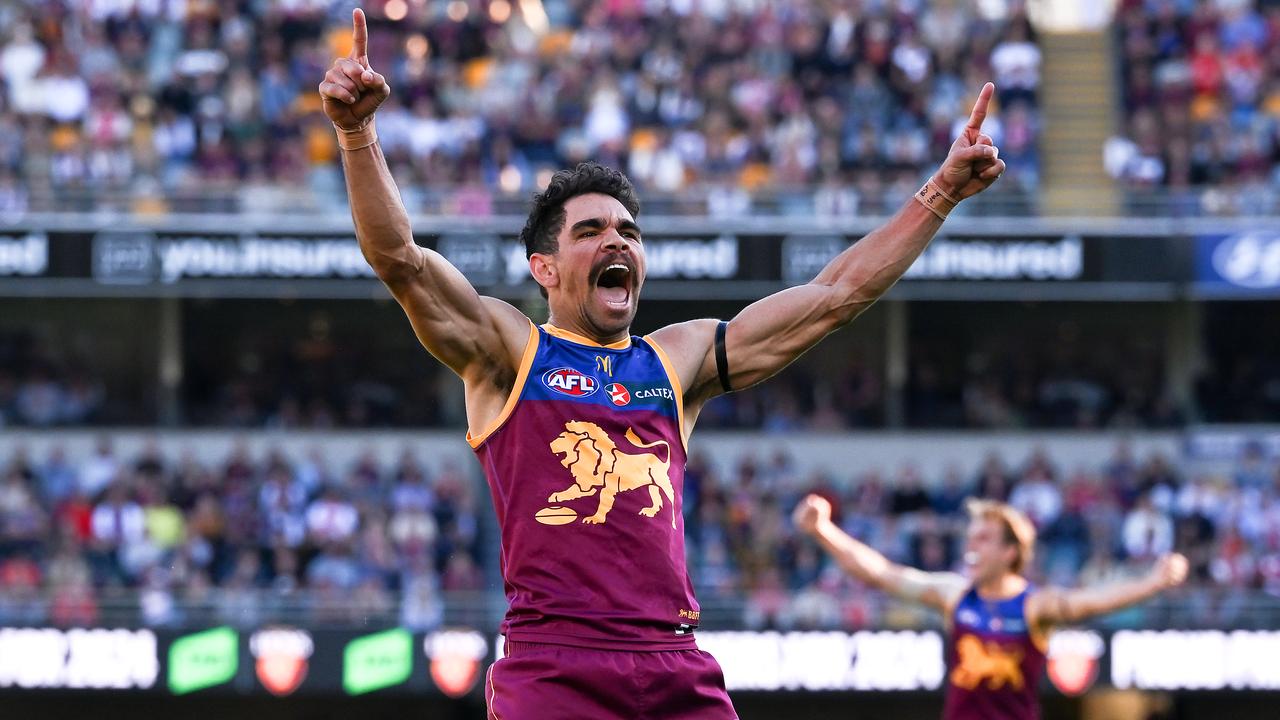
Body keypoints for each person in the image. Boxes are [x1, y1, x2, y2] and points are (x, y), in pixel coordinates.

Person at [319, 8, 1006, 718]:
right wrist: (356, 133)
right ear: (544, 268)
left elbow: (836, 295)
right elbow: (400, 260)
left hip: (677, 665)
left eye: (629, 231)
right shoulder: (510, 351)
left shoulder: (674, 361)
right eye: (590, 231)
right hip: (555, 667)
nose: (617, 241)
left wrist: (941, 192)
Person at [792, 495, 1188, 720]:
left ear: (1010, 552)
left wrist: (1152, 582)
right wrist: (822, 530)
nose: (972, 546)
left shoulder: (1034, 606)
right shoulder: (955, 595)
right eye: (972, 536)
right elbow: (883, 573)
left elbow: (1093, 601)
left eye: (983, 539)